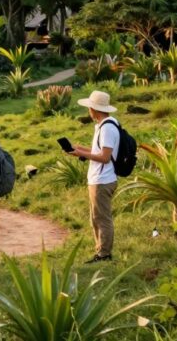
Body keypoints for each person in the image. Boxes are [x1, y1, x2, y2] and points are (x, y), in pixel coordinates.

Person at [68, 90, 120, 263]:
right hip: (100, 179)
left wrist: (83, 154)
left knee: (102, 218)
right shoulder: (104, 125)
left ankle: (104, 254)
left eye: (90, 107)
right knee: (96, 218)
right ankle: (100, 251)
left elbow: (105, 157)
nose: (88, 110)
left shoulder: (107, 129)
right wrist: (80, 150)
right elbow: (101, 152)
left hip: (102, 180)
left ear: (94, 109)